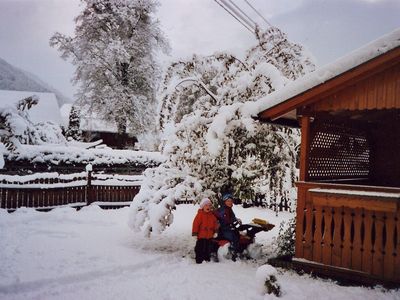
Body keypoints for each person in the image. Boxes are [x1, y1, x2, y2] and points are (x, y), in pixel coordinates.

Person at [213, 193, 241, 258]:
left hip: (227, 228)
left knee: (237, 234)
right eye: (228, 201)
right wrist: (233, 221)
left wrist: (236, 219)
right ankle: (233, 252)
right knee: (234, 237)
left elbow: (232, 218)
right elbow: (226, 219)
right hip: (222, 230)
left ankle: (236, 249)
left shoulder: (229, 209)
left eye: (231, 201)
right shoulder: (223, 210)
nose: (230, 202)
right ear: (224, 202)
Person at [192, 198, 219, 264]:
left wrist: (216, 231)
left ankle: (207, 258)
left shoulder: (212, 216)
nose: (208, 207)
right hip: (201, 236)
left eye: (209, 205)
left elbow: (216, 224)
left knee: (208, 248)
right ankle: (198, 259)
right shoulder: (200, 215)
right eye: (206, 205)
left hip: (209, 236)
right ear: (202, 206)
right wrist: (195, 233)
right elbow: (195, 224)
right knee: (199, 248)